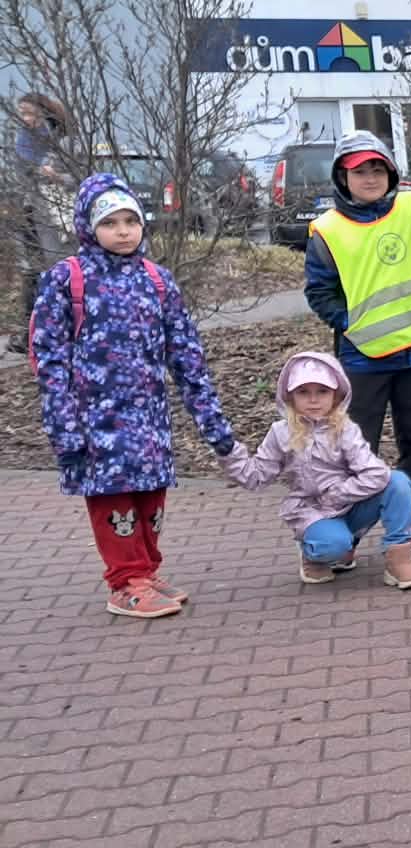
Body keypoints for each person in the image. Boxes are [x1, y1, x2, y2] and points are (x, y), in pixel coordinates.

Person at [30, 173, 238, 618]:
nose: (123, 232)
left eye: (131, 221)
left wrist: (214, 425)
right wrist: (64, 428)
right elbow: (49, 359)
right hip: (95, 422)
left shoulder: (157, 280)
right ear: (87, 227)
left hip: (148, 417)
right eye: (109, 223)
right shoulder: (66, 280)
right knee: (114, 498)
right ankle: (126, 582)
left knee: (150, 495)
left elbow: (186, 355)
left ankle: (146, 569)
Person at [304, 131, 411, 550]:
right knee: (353, 447)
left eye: (377, 169)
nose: (370, 178)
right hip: (364, 356)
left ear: (391, 173)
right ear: (342, 177)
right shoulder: (327, 230)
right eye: (359, 171)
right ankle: (347, 529)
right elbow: (319, 292)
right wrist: (351, 323)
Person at [219, 352, 411, 589]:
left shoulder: (345, 429)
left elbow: (376, 474)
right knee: (334, 546)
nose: (313, 400)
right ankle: (314, 553)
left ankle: (399, 560)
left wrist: (338, 494)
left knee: (397, 482)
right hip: (313, 511)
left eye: (322, 392)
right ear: (289, 396)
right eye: (303, 392)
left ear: (336, 395)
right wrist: (229, 452)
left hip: (350, 503)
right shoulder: (280, 432)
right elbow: (255, 477)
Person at [8, 93, 70, 355]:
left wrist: (57, 177)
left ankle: (57, 331)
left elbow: (78, 176)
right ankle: (30, 333)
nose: (26, 119)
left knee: (57, 271)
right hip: (31, 215)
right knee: (32, 272)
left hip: (58, 218)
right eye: (22, 113)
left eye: (30, 113)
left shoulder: (62, 142)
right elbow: (20, 176)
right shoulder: (23, 140)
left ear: (45, 112)